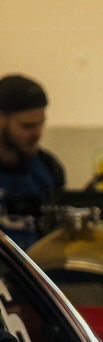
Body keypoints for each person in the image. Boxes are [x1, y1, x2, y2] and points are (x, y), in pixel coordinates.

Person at [0, 75, 66, 249]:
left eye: (41, 125)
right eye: (27, 126)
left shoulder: (49, 168)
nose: (38, 134)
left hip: (35, 271)